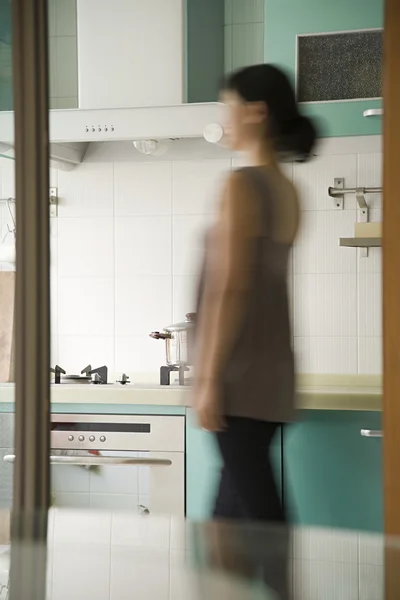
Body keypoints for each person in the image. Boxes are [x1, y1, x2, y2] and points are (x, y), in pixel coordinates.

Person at [194, 64, 317, 525]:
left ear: (256, 112)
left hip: (238, 377)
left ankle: (284, 589)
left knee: (261, 519)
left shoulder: (241, 184)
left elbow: (231, 286)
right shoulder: (288, 189)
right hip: (273, 372)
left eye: (228, 108)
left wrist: (207, 378)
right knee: (230, 516)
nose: (223, 119)